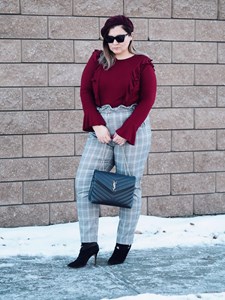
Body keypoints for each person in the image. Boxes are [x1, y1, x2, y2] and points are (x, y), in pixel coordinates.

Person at [68, 15, 157, 268]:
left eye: (120, 37)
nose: (115, 43)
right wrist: (96, 123)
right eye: (110, 38)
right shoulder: (98, 60)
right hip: (100, 128)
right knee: (83, 182)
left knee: (129, 187)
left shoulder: (142, 64)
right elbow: (85, 91)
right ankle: (89, 245)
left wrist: (126, 130)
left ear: (131, 36)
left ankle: (122, 245)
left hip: (133, 130)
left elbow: (147, 100)